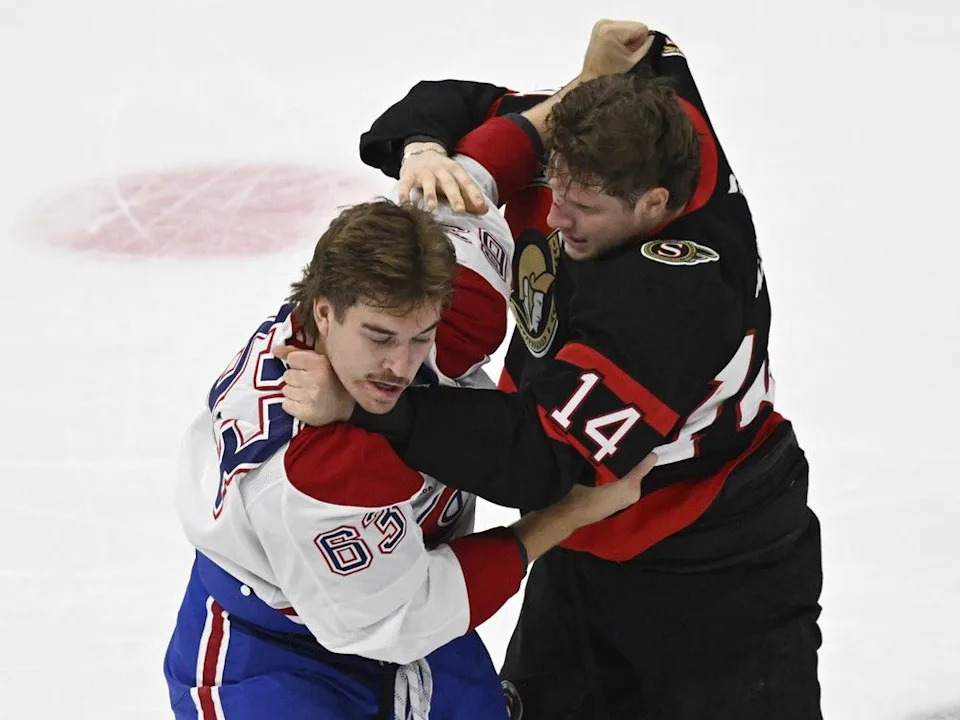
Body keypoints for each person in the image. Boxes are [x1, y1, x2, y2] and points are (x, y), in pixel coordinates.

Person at [279, 20, 823, 720]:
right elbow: (449, 102)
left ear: (655, 206)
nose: (554, 216)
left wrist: (372, 407)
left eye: (584, 208)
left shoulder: (676, 296)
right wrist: (426, 152)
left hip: (715, 562)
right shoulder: (619, 131)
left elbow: (537, 457)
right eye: (552, 185)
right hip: (588, 539)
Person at [162, 24, 655, 720]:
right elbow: (412, 611)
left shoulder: (444, 305)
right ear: (324, 311)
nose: (401, 364)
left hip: (397, 587)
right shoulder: (319, 470)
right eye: (380, 337)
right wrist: (566, 516)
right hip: (272, 647)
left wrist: (587, 84)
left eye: (419, 335)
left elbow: (481, 170)